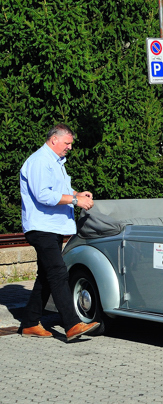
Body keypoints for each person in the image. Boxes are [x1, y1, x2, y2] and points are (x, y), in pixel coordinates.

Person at [19, 124, 100, 341]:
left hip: (51, 227)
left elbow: (59, 190)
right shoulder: (40, 161)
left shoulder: (55, 162)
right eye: (67, 143)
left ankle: (30, 323)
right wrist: (75, 200)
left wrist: (77, 194)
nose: (70, 147)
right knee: (57, 273)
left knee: (46, 275)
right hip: (41, 227)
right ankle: (72, 324)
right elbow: (43, 195)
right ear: (54, 139)